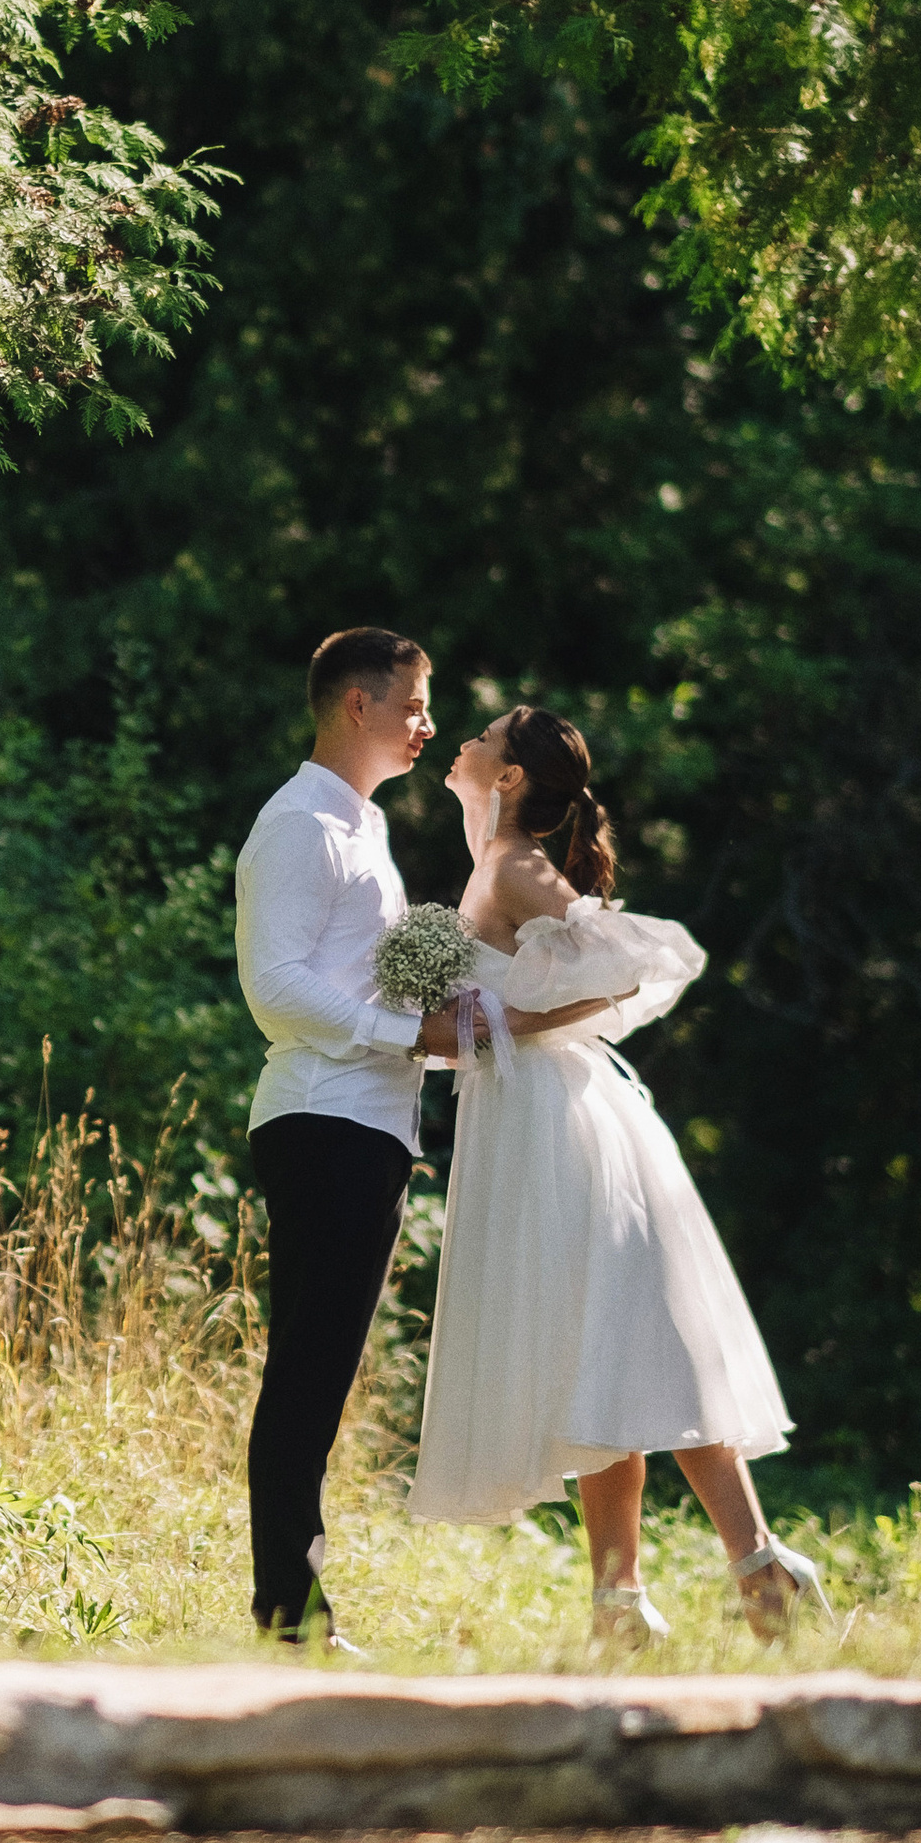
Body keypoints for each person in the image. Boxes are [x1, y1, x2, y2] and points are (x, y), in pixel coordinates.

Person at [407, 702, 824, 1639]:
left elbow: (617, 970)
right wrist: (452, 1029)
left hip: (559, 1126)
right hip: (529, 1119)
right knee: (592, 1357)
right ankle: (642, 1600)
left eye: (484, 736)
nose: (465, 740)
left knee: (607, 1345)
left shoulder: (516, 866)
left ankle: (723, 1576)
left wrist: (505, 1025)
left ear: (508, 777)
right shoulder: (491, 863)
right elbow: (501, 1002)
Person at [232, 631, 595, 1651]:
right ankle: (288, 1617)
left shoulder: (364, 825)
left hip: (368, 1124)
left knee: (321, 1370)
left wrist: (473, 1025)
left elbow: (360, 985)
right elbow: (276, 991)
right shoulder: (299, 823)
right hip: (321, 1120)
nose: (428, 726)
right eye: (415, 706)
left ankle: (289, 1612)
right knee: (308, 1371)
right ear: (357, 704)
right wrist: (415, 1033)